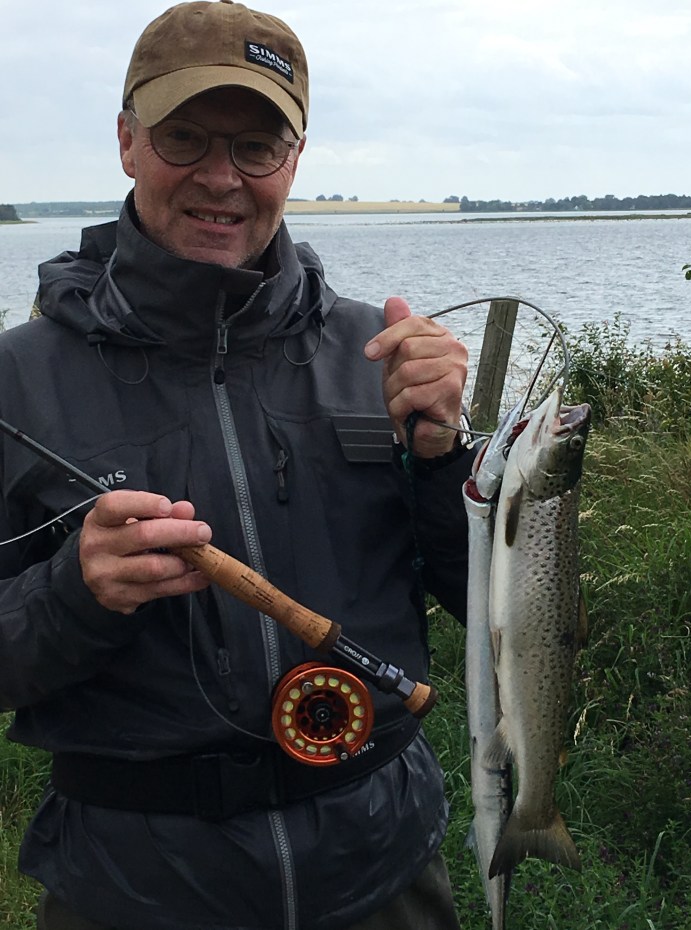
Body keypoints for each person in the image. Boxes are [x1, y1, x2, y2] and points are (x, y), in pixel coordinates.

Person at [0, 2, 473, 928]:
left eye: (256, 147)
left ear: (294, 160)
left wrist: (442, 457)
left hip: (381, 871)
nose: (221, 177)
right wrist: (76, 592)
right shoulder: (20, 380)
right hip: (132, 891)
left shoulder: (378, 355)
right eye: (185, 137)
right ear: (128, 140)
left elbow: (483, 604)